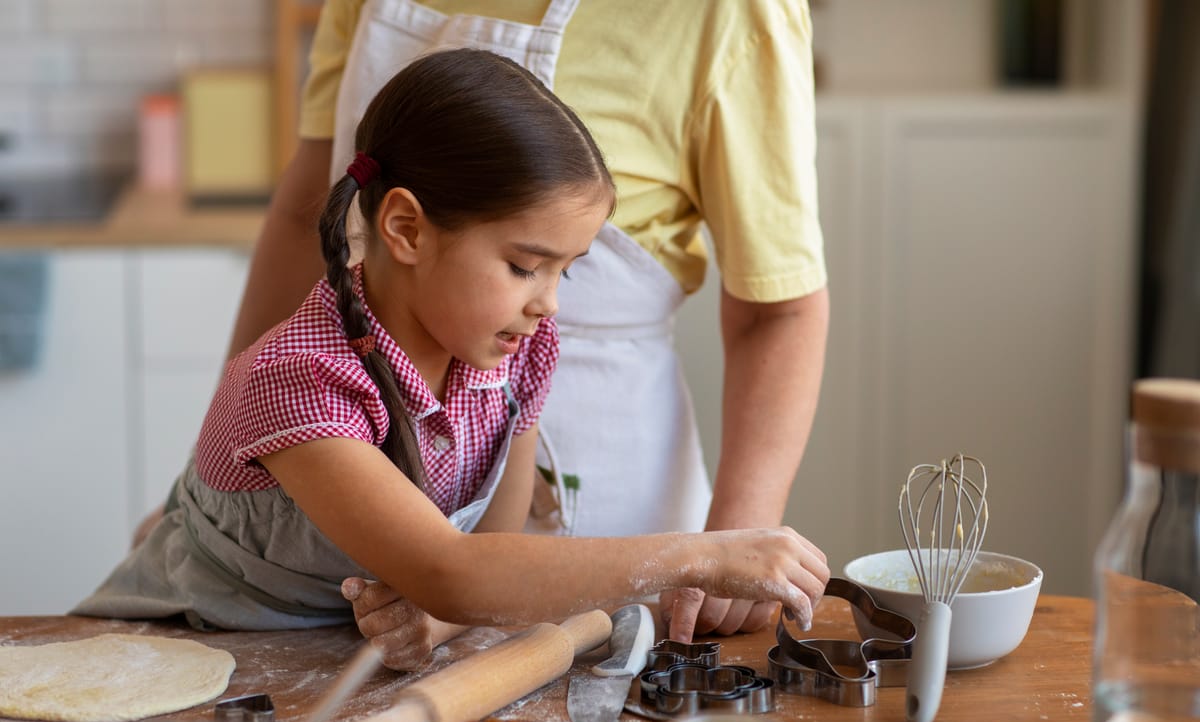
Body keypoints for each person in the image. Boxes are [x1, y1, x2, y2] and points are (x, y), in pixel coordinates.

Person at [79, 49, 829, 659]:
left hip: (324, 662)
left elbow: (493, 555)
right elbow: (452, 569)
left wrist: (438, 622)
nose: (549, 303)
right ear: (406, 229)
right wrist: (702, 554)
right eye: (524, 266)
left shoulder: (514, 357)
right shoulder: (300, 378)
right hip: (178, 652)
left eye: (565, 272)